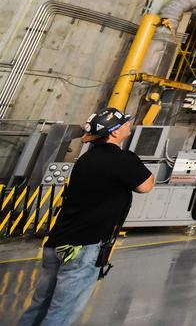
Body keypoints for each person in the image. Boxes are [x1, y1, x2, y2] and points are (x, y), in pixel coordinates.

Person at [19, 107, 154, 326]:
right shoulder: (122, 159)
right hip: (83, 248)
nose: (129, 125)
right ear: (114, 133)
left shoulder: (85, 159)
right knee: (61, 312)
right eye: (124, 123)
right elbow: (146, 186)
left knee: (40, 304)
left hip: (57, 242)